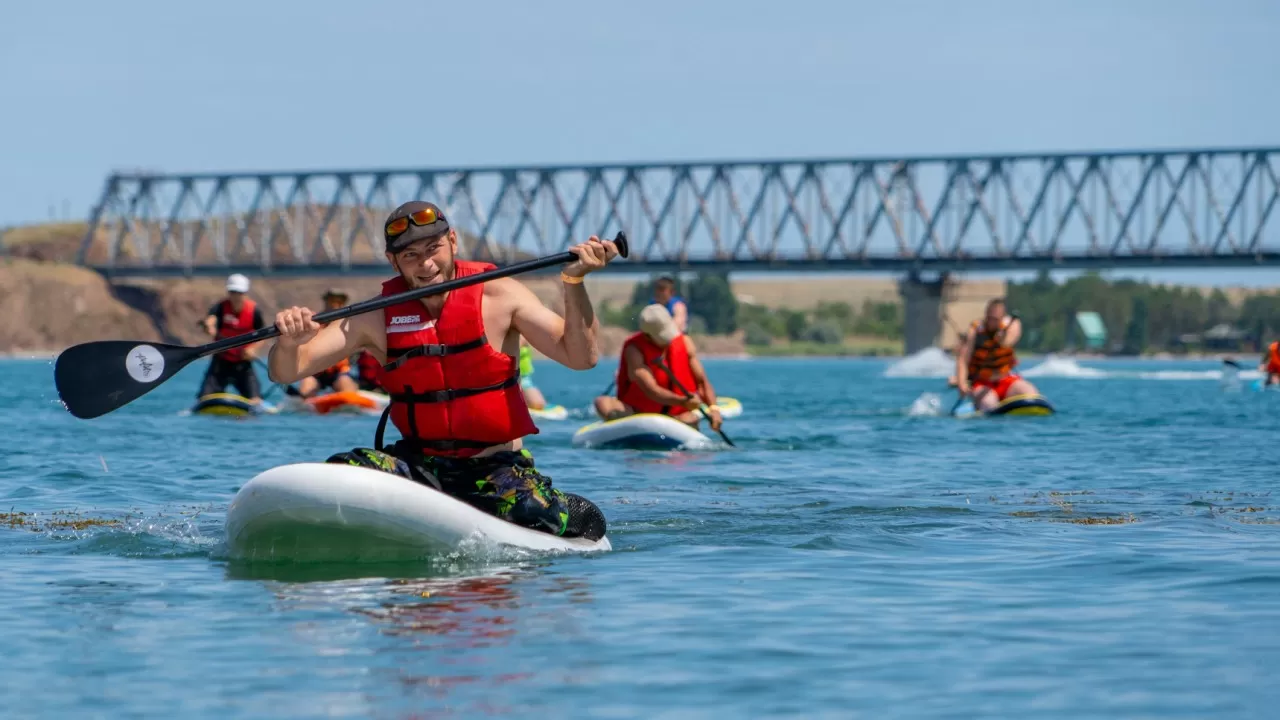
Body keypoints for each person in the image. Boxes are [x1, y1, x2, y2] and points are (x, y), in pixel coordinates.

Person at [266, 200, 619, 540]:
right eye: (411, 256)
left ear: (452, 241)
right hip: (418, 466)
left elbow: (581, 357)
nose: (426, 265)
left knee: (535, 511)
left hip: (494, 469)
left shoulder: (501, 296)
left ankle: (559, 506)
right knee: (340, 472)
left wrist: (574, 283)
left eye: (433, 248)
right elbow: (286, 372)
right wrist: (289, 342)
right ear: (394, 262)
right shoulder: (373, 316)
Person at [593, 303, 723, 432]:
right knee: (602, 403)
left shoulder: (685, 343)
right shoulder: (634, 350)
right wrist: (682, 401)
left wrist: (714, 409)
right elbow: (650, 390)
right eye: (662, 336)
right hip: (638, 413)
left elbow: (702, 382)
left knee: (690, 417)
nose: (668, 340)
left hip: (679, 415)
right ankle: (628, 427)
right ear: (647, 336)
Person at [955, 298, 1041, 411]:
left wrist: (1001, 338)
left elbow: (1008, 342)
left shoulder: (1012, 324)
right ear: (986, 315)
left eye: (995, 319)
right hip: (982, 382)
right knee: (989, 404)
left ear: (1002, 317)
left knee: (1030, 393)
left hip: (1006, 379)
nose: (991, 322)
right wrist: (961, 383)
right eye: (989, 318)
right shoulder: (975, 330)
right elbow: (963, 360)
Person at [198, 273, 267, 401]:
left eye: (239, 292)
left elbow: (262, 335)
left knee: (255, 400)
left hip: (243, 363)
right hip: (221, 361)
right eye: (232, 292)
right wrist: (209, 326)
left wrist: (252, 349)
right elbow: (211, 320)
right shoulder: (220, 307)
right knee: (205, 399)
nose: (235, 296)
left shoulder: (254, 311)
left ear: (245, 293)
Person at [292, 289, 359, 398]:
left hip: (339, 372)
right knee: (306, 389)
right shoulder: (314, 323)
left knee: (347, 390)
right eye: (332, 301)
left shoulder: (350, 324)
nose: (335, 305)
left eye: (339, 302)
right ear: (326, 302)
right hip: (316, 372)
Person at [518, 336, 547, 410]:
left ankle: (534, 403)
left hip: (522, 372)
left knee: (526, 385)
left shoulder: (520, 337)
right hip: (518, 373)